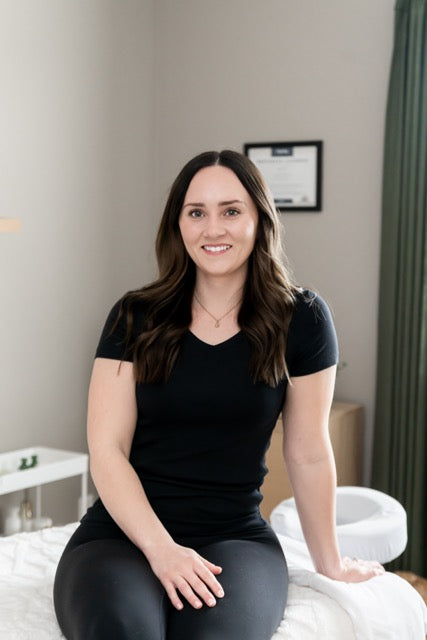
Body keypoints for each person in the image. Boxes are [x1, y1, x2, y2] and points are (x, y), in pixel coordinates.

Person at [53, 150, 384, 640]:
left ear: (259, 219)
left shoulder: (303, 319)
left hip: (235, 538)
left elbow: (309, 452)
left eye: (231, 211)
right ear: (178, 223)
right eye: (196, 212)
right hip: (122, 536)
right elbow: (107, 450)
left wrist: (330, 562)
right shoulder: (134, 316)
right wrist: (163, 551)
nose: (213, 229)